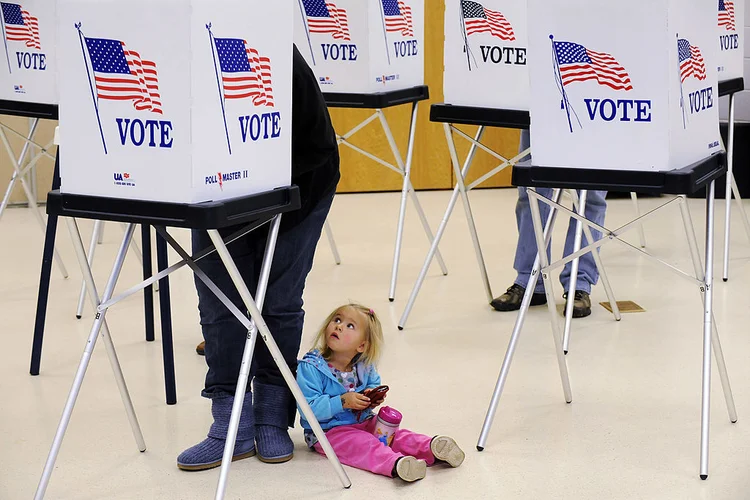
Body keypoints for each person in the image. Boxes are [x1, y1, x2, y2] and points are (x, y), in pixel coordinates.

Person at [177, 44, 341, 471]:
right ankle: (228, 425)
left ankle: (271, 416)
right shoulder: (176, 51)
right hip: (214, 188)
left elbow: (312, 145)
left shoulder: (268, 52)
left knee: (278, 301)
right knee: (220, 304)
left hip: (300, 183)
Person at [296, 304, 465, 482]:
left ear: (361, 346)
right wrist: (342, 402)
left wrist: (372, 396)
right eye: (337, 320)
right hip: (328, 432)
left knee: (395, 435)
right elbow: (308, 409)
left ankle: (431, 448)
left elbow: (373, 383)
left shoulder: (364, 366)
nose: (339, 326)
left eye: (350, 326)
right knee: (365, 445)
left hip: (365, 420)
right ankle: (397, 464)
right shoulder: (311, 367)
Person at [491, 130, 608, 318]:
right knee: (531, 189)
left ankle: (579, 285)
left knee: (590, 194)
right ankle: (530, 279)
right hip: (539, 107)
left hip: (595, 108)